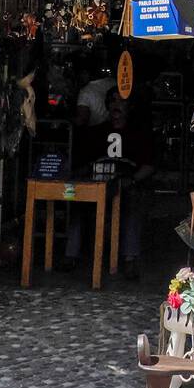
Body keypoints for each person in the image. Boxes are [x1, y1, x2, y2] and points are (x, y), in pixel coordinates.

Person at [64, 89, 155, 279]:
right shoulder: (95, 132)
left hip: (127, 184)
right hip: (97, 183)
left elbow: (149, 165)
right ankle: (70, 255)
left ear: (129, 107)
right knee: (77, 201)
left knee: (132, 203)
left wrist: (133, 179)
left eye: (121, 102)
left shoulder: (139, 133)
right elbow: (82, 165)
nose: (116, 106)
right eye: (112, 101)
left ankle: (130, 259)